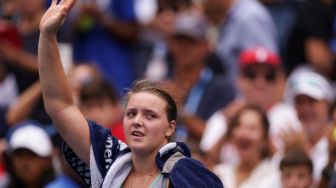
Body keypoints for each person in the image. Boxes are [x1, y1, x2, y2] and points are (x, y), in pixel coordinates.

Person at [37, 0, 223, 187]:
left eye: (150, 115)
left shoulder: (188, 175)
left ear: (170, 127)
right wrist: (47, 36)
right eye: (131, 113)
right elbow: (60, 105)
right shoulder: (110, 160)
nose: (137, 121)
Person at [213, 105, 281, 188]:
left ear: (264, 139)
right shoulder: (220, 173)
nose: (243, 134)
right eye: (239, 126)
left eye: (252, 128)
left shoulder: (275, 174)